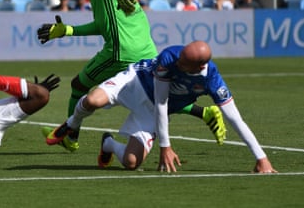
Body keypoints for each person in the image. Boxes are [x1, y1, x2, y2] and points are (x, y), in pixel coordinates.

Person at [37, 0, 225, 152]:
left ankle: (71, 136)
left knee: (79, 86)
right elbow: (102, 25)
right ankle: (205, 112)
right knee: (155, 94)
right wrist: (68, 30)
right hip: (145, 49)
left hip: (120, 52)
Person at [46, 41, 277, 174]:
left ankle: (108, 143)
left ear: (200, 67)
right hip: (135, 82)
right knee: (92, 101)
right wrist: (165, 147)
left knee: (131, 163)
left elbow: (236, 119)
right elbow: (162, 101)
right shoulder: (169, 58)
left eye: (184, 63)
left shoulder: (213, 81)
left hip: (150, 110)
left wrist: (261, 158)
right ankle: (71, 124)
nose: (178, 63)